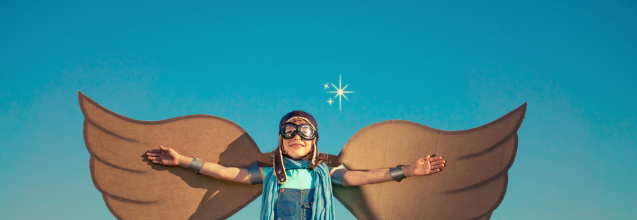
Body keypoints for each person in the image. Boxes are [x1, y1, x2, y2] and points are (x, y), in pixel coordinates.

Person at [144, 110, 447, 220]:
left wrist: (407, 170)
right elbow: (225, 173)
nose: (297, 136)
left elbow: (363, 177)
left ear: (315, 140)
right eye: (289, 131)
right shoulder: (273, 174)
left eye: (305, 131)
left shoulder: (325, 174)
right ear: (281, 140)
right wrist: (184, 161)